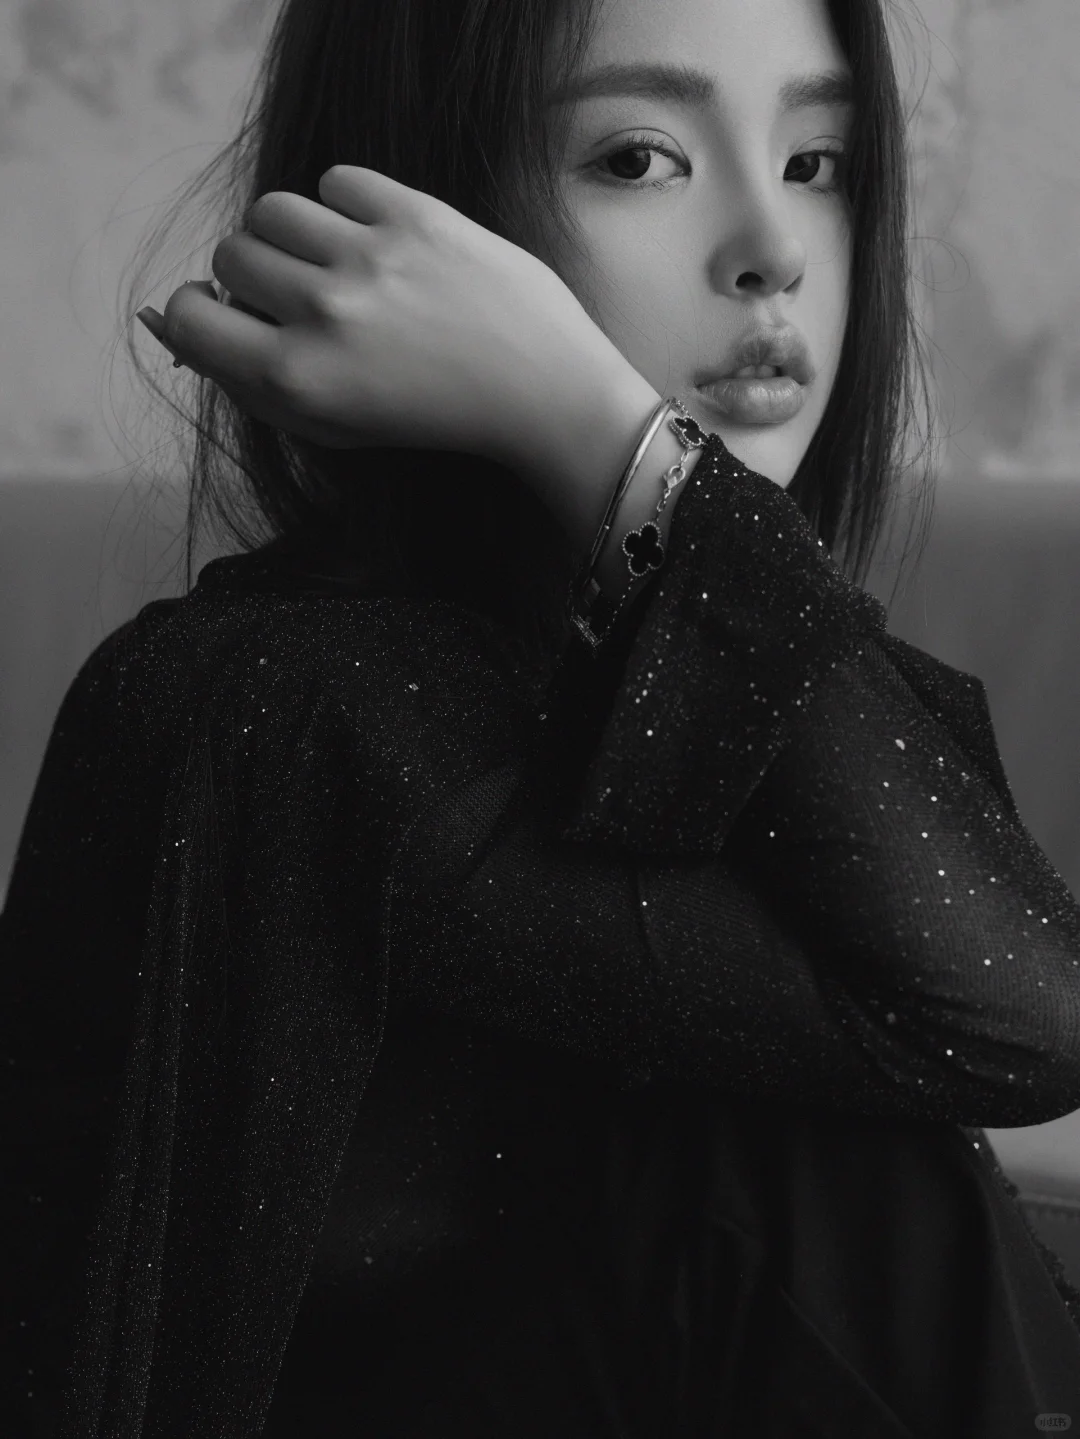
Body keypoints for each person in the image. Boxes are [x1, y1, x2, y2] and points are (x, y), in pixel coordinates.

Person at [4, 0, 1080, 1434]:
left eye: (818, 163)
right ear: (421, 223)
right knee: (823, 1149)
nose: (773, 246)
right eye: (637, 158)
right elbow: (1020, 1017)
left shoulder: (671, 695)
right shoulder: (288, 699)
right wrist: (597, 423)